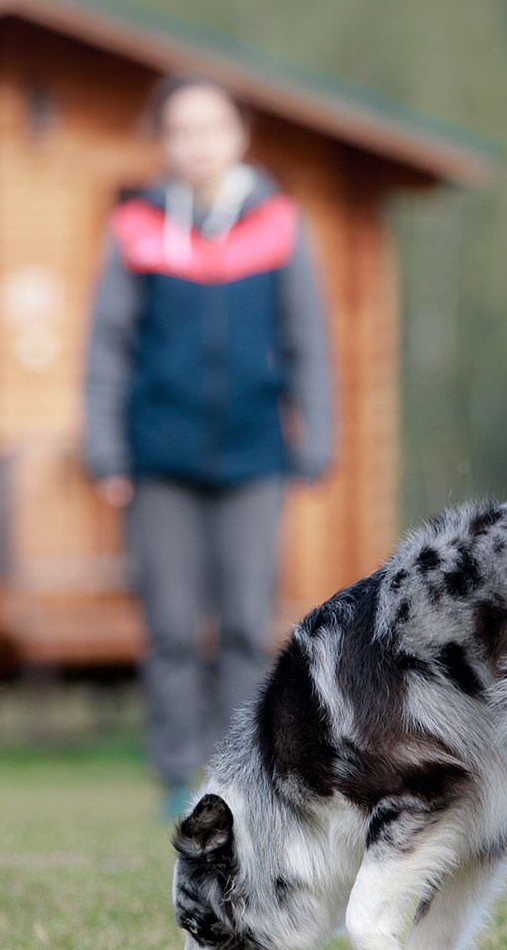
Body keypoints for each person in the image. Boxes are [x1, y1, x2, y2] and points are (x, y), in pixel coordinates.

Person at [83, 73, 334, 822]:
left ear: (240, 135)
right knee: (168, 626)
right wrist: (105, 450)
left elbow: (309, 341)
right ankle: (171, 772)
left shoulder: (281, 225)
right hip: (157, 460)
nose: (198, 143)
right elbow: (106, 347)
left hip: (255, 457)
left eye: (213, 128)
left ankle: (239, 773)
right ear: (163, 141)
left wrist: (316, 436)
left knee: (244, 622)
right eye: (182, 130)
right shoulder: (135, 226)